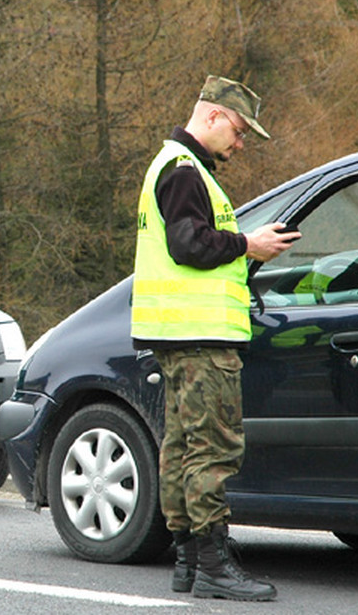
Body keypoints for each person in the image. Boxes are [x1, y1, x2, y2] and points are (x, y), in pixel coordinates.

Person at [131, 75, 299, 601]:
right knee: (212, 447)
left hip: (177, 331)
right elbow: (189, 245)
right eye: (241, 130)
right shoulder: (185, 172)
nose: (242, 143)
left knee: (181, 446)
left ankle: (187, 560)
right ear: (215, 117)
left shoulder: (176, 168)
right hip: (200, 334)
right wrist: (249, 244)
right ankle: (212, 566)